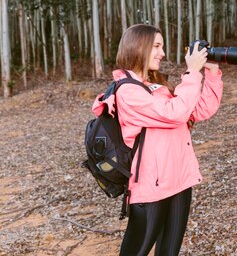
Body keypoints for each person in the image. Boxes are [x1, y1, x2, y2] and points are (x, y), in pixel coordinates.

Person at [92, 24, 223, 256]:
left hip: (179, 181)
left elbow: (198, 110)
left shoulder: (157, 86)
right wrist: (192, 72)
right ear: (137, 47)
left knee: (169, 252)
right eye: (156, 46)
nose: (162, 53)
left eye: (162, 46)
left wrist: (211, 73)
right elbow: (175, 113)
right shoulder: (127, 92)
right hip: (150, 188)